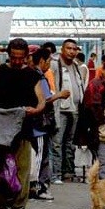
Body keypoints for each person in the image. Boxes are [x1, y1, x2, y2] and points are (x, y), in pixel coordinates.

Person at [0, 37, 45, 209]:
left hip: (22, 131)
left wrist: (37, 109)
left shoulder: (32, 75)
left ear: (26, 57)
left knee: (22, 174)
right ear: (8, 55)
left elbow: (41, 99)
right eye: (14, 57)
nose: (17, 61)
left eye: (21, 58)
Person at [29, 48, 70, 199]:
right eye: (47, 62)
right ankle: (38, 187)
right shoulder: (37, 77)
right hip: (39, 125)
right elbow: (44, 100)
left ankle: (39, 186)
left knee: (43, 155)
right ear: (42, 61)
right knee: (40, 157)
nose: (48, 65)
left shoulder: (38, 75)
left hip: (41, 124)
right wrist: (59, 95)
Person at [50, 39, 84, 184]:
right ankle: (56, 174)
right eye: (69, 48)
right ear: (62, 50)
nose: (71, 51)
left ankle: (68, 172)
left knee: (70, 143)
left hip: (74, 109)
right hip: (60, 109)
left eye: (74, 49)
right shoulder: (55, 65)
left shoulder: (76, 66)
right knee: (57, 142)